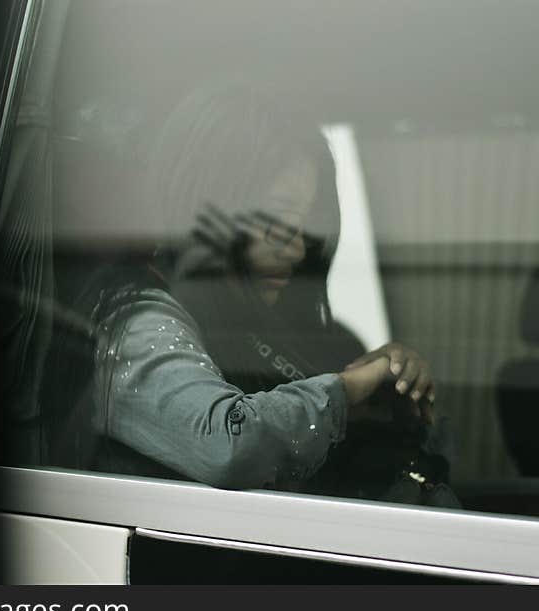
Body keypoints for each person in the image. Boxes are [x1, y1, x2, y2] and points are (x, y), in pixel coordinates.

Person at [43, 85, 457, 505]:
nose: (296, 249)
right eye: (275, 219)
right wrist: (346, 389)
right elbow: (229, 445)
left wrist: (388, 398)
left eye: (303, 226)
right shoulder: (139, 325)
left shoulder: (278, 332)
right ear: (203, 206)